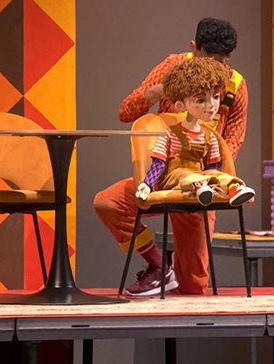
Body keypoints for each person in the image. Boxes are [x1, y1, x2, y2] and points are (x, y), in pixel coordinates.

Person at [94, 17, 248, 297]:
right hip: (164, 176)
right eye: (206, 59)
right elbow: (126, 112)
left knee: (193, 285)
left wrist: (214, 176)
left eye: (219, 62)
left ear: (230, 56)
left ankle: (181, 271)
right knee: (109, 202)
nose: (210, 69)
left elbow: (233, 140)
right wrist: (157, 92)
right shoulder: (172, 67)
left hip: (201, 186)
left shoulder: (235, 86)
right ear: (193, 47)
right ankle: (158, 265)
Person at [135, 56, 254, 208]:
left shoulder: (209, 136)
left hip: (200, 177)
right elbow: (159, 162)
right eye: (201, 100)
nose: (212, 105)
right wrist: (148, 184)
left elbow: (212, 167)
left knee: (218, 175)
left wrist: (217, 179)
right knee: (184, 175)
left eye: (216, 97)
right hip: (173, 178)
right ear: (181, 105)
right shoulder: (171, 133)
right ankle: (199, 186)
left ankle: (234, 188)